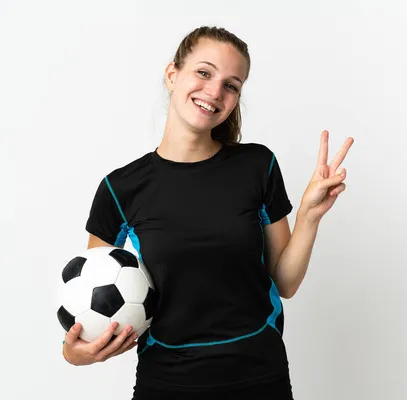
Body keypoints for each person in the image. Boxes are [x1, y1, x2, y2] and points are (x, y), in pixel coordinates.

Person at [62, 26, 354, 400]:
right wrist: (74, 353)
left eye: (232, 85)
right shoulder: (120, 189)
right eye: (204, 72)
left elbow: (285, 282)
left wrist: (310, 216)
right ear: (172, 75)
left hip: (260, 378)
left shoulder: (256, 165)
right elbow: (92, 305)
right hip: (167, 384)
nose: (215, 91)